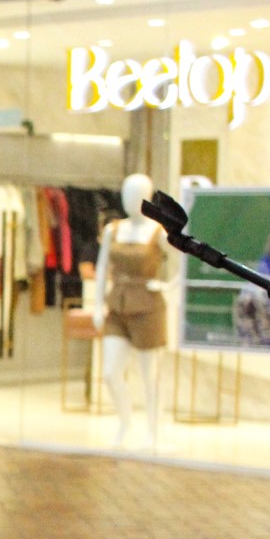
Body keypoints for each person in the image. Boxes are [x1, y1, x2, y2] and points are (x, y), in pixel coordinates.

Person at [93, 173, 167, 449]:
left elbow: (185, 263)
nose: (130, 200)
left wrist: (167, 286)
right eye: (126, 193)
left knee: (150, 376)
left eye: (136, 194)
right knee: (110, 372)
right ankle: (125, 424)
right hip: (117, 304)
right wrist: (97, 304)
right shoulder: (113, 230)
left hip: (148, 305)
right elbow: (102, 267)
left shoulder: (158, 232)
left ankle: (153, 432)